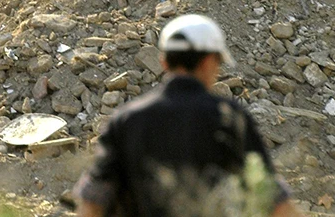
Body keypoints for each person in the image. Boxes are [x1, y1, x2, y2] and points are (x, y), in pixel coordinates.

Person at [73, 14, 302, 217]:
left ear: (164, 62)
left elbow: (92, 199)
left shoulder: (127, 119)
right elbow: (273, 200)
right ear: (209, 61)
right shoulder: (229, 118)